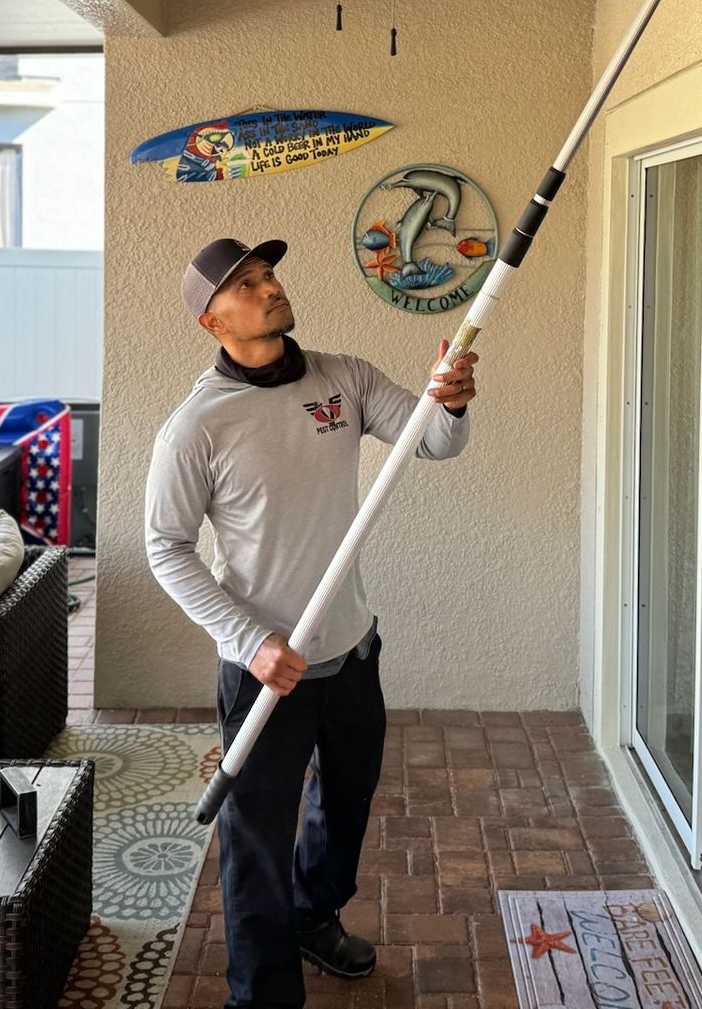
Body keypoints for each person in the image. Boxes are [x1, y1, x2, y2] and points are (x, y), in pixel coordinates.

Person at [145, 236, 479, 1009]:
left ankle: (314, 912)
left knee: (346, 800)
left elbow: (432, 442)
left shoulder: (344, 378)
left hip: (350, 651)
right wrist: (249, 641)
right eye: (246, 284)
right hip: (266, 670)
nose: (269, 288)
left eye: (267, 274)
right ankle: (262, 994)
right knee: (256, 840)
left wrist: (452, 399)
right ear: (211, 322)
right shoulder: (197, 426)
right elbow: (165, 550)